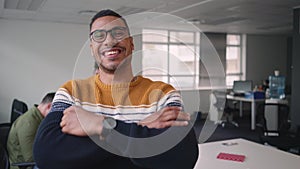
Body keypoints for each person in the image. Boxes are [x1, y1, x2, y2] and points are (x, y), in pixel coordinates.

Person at [33, 9, 198, 169]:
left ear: (131, 43)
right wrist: (139, 129)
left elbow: (182, 156)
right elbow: (47, 154)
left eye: (118, 33)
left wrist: (102, 125)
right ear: (91, 48)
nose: (109, 41)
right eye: (99, 35)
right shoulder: (71, 92)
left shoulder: (164, 94)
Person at [7, 92, 55, 169]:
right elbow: (31, 158)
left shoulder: (39, 119)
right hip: (24, 165)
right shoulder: (28, 123)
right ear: (49, 106)